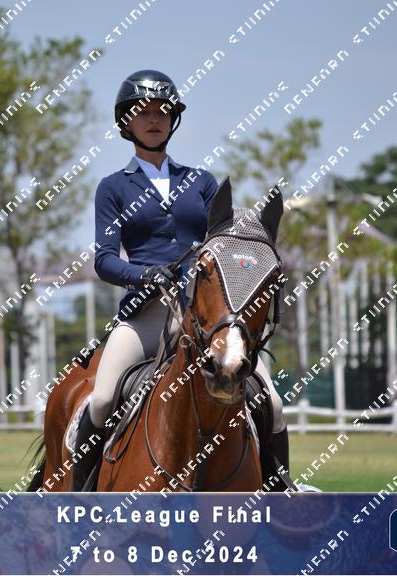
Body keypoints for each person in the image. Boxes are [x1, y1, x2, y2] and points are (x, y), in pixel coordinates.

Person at [73, 69, 290, 491]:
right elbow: (104, 260)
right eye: (143, 112)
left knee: (274, 405)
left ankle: (282, 496)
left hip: (203, 314)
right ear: (127, 122)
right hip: (147, 316)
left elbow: (222, 245)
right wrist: (143, 275)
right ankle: (84, 498)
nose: (154, 119)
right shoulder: (113, 188)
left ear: (173, 120)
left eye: (162, 112)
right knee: (101, 401)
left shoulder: (201, 182)